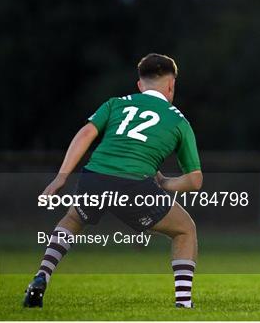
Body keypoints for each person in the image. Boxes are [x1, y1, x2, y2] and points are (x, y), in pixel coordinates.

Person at [24, 53, 202, 309]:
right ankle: (183, 303)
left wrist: (61, 177)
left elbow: (86, 133)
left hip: (95, 176)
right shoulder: (179, 121)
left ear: (140, 84)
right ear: (171, 84)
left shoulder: (116, 103)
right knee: (185, 229)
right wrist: (165, 184)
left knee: (73, 219)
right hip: (136, 185)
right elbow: (195, 181)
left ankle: (42, 276)